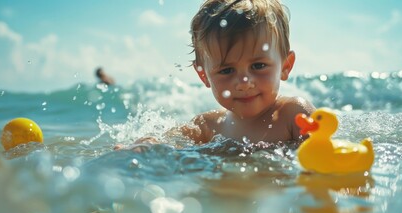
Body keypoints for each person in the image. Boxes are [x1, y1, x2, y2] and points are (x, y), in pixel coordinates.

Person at [116, 0, 315, 150]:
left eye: (259, 65)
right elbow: (165, 146)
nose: (244, 83)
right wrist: (142, 149)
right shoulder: (208, 125)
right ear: (204, 76)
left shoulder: (294, 114)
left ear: (285, 66)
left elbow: (328, 160)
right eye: (227, 70)